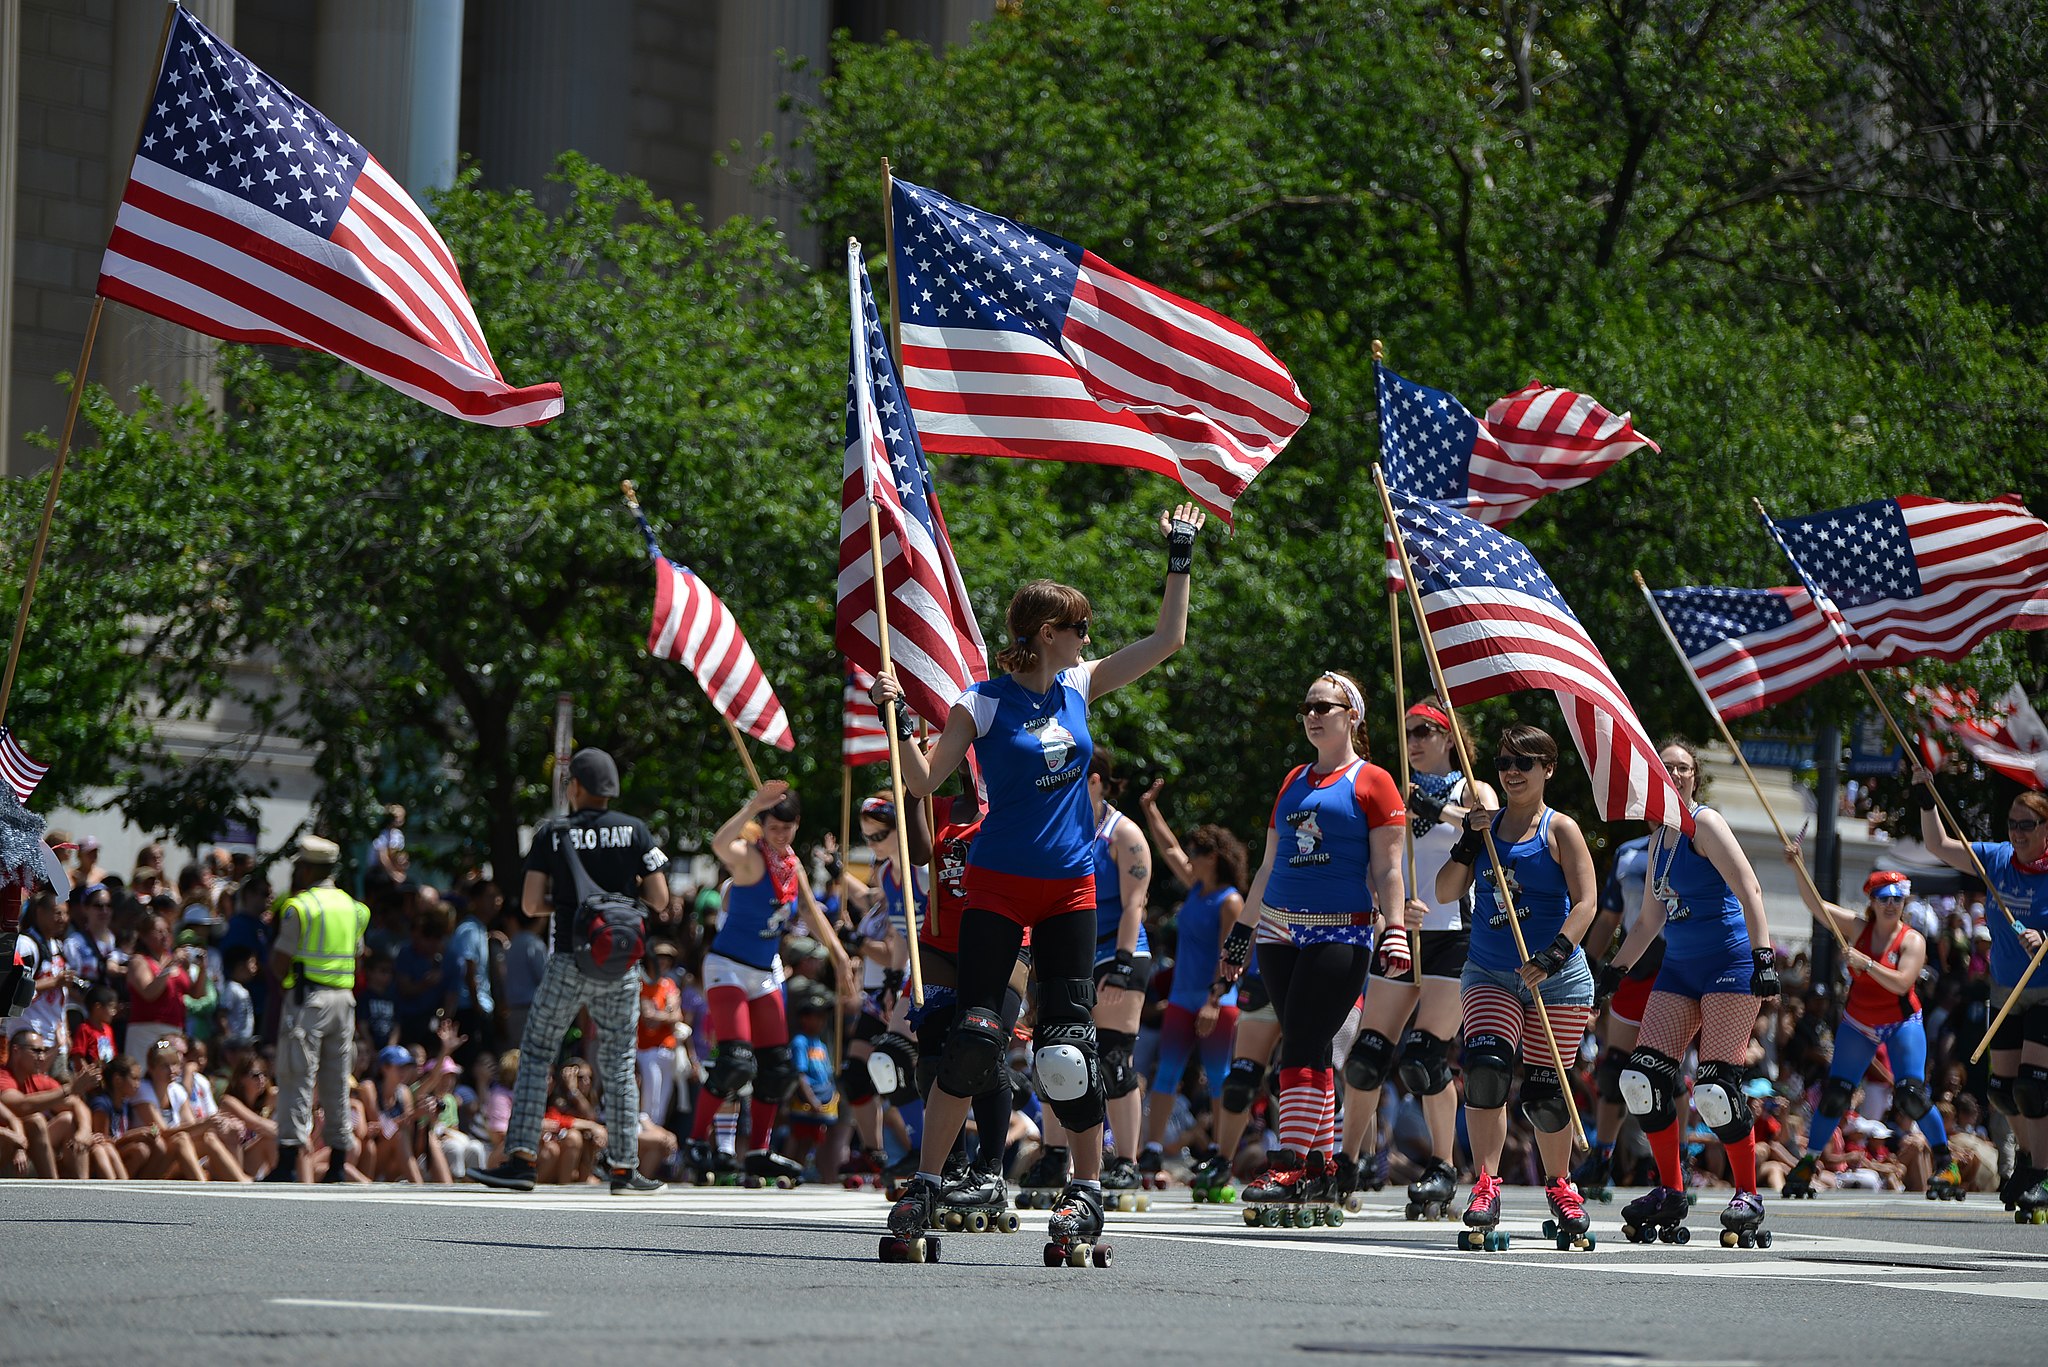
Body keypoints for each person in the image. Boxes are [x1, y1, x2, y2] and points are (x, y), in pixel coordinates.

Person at [870, 502, 1206, 1256]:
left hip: (1069, 892)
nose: (1088, 638)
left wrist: (1179, 557)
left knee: (1065, 1050)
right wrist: (896, 722)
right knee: (973, 1040)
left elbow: (1167, 639)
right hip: (995, 887)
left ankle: (1084, 1192)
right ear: (1047, 632)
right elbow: (925, 778)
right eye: (1079, 627)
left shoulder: (1080, 685)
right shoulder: (982, 702)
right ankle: (927, 1182)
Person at [1213, 670, 1406, 1209]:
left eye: (1326, 706)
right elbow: (1270, 864)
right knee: (1310, 1045)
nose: (1314, 714)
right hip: (1277, 927)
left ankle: (1291, 1162)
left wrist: (1394, 930)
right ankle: (1319, 1168)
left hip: (1341, 926)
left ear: (1353, 717)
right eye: (1308, 707)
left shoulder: (1373, 781)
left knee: (1298, 1042)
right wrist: (1241, 936)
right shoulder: (1293, 778)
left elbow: (1389, 871)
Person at [1599, 740, 1781, 1247]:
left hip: (1729, 963)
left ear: (1693, 778)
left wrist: (1764, 958)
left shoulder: (1706, 824)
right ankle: (1670, 1190)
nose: (1674, 774)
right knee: (1639, 1079)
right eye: (1666, 767)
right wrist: (1613, 971)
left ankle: (1748, 1192)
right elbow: (1649, 919)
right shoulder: (1658, 840)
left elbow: (1750, 888)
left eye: (1683, 768)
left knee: (1714, 1090)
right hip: (1679, 967)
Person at [472, 748, 673, 1195]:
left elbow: (529, 904)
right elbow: (659, 900)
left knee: (538, 1051)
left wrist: (569, 907)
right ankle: (624, 1167)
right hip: (621, 967)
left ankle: (521, 1158)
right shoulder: (636, 831)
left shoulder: (553, 833)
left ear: (576, 786)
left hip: (569, 957)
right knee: (619, 1064)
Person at [1436, 723, 1598, 1248]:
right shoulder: (1484, 829)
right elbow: (1443, 891)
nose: (1511, 771)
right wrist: (1467, 838)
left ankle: (1560, 1185)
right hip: (1489, 971)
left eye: (1524, 763)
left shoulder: (1560, 830)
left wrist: (1553, 956)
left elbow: (1587, 903)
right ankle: (1485, 1185)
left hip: (1558, 979)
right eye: (1505, 762)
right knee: (1484, 1071)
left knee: (1546, 1094)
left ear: (1547, 770)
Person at [1338, 701, 1496, 1212]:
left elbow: (1487, 825)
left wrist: (1433, 809)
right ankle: (1348, 1161)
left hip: (1454, 933)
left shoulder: (1469, 787)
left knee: (1425, 1059)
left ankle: (1443, 1167)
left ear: (1449, 737)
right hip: (1405, 931)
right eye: (1407, 732)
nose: (1415, 740)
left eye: (1425, 730)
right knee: (1365, 1058)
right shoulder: (1392, 790)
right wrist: (1390, 912)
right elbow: (1376, 864)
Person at [682, 781, 854, 1186]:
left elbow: (812, 916)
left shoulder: (791, 867)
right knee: (735, 1061)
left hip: (764, 971)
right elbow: (720, 843)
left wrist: (841, 958)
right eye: (774, 827)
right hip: (727, 966)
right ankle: (694, 1142)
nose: (781, 835)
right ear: (763, 826)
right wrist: (752, 805)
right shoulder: (750, 860)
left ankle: (759, 1150)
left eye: (788, 828)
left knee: (777, 1068)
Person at [1778, 860, 1959, 1200]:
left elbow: (1903, 982)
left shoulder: (1912, 941)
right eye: (1884, 898)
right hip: (1859, 1024)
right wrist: (1797, 865)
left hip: (1900, 1023)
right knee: (1836, 1095)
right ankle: (1808, 1162)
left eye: (1898, 898)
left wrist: (1868, 964)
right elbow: (1816, 905)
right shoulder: (1859, 927)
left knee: (1911, 1095)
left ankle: (1946, 1163)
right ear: (1872, 901)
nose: (1891, 904)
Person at [1135, 781, 1247, 1191]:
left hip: (1216, 1000)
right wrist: (1149, 810)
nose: (1188, 859)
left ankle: (1222, 1153)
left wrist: (1214, 1001)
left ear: (1212, 858)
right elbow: (1167, 850)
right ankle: (1151, 1149)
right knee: (1166, 1073)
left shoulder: (1230, 901)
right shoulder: (1198, 890)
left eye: (1196, 853)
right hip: (1182, 997)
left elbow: (1232, 957)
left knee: (1218, 1076)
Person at [264, 835, 369, 1183]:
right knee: (337, 1079)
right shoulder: (354, 908)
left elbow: (280, 961)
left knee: (297, 1076)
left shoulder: (300, 907)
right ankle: (338, 1161)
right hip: (345, 1000)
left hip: (309, 1001)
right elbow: (357, 954)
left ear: (307, 868)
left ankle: (287, 1160)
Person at [1087, 749, 1153, 1193]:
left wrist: (1123, 967)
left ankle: (1127, 1161)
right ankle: (1058, 1156)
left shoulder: (1123, 834)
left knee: (1113, 1061)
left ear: (1094, 781)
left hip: (1120, 951)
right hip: (1076, 953)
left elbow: (1135, 904)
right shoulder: (1064, 828)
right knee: (1064, 1060)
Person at [1575, 832, 1654, 1196]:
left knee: (1662, 1071)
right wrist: (1586, 965)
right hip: (1636, 965)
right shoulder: (1627, 851)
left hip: (1680, 963)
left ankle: (1673, 1161)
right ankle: (1601, 1158)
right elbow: (1609, 918)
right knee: (1614, 1070)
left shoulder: (1698, 840)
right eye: (1668, 769)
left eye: (1683, 768)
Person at [124, 911, 195, 1061]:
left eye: (167, 931)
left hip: (174, 1029)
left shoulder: (172, 961)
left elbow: (195, 993)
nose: (165, 935)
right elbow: (149, 993)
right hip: (146, 1030)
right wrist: (170, 966)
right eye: (159, 931)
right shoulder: (139, 961)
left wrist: (201, 969)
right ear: (143, 936)